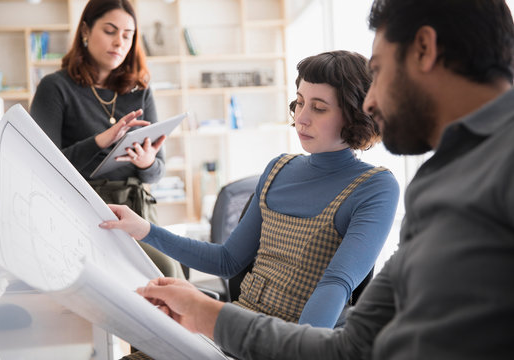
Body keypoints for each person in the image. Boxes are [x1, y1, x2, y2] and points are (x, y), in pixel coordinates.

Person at [128, 0, 514, 359]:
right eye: (300, 103)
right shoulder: (439, 182)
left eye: (377, 72)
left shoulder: (453, 177)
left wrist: (208, 315)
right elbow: (355, 345)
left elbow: (341, 312)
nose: (370, 102)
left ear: (425, 50)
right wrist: (204, 313)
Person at [100, 50, 400, 329]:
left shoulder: (375, 187)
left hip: (291, 341)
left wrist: (293, 350)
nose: (302, 117)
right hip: (236, 328)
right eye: (299, 102)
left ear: (356, 115)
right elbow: (227, 260)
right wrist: (144, 229)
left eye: (319, 108)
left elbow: (336, 284)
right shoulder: (279, 168)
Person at [30, 0, 184, 279]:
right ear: (86, 31)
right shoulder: (55, 88)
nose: (119, 42)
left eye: (127, 35)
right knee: (165, 272)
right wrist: (99, 141)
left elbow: (156, 173)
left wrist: (147, 162)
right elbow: (44, 167)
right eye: (110, 31)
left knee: (173, 269)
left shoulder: (140, 92)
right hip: (86, 211)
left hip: (138, 211)